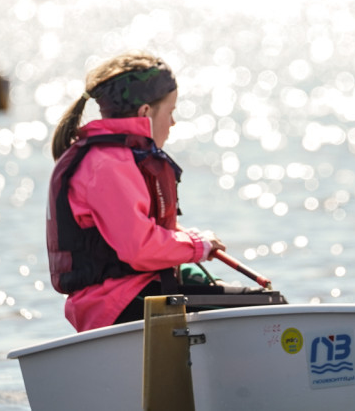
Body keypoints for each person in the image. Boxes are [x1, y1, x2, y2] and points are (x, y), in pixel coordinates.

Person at [46, 51, 227, 331]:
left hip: (135, 293)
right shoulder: (107, 164)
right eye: (171, 112)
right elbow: (139, 248)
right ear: (145, 113)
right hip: (118, 305)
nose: (173, 123)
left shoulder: (114, 157)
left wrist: (193, 240)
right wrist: (198, 247)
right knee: (267, 306)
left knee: (214, 286)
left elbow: (137, 231)